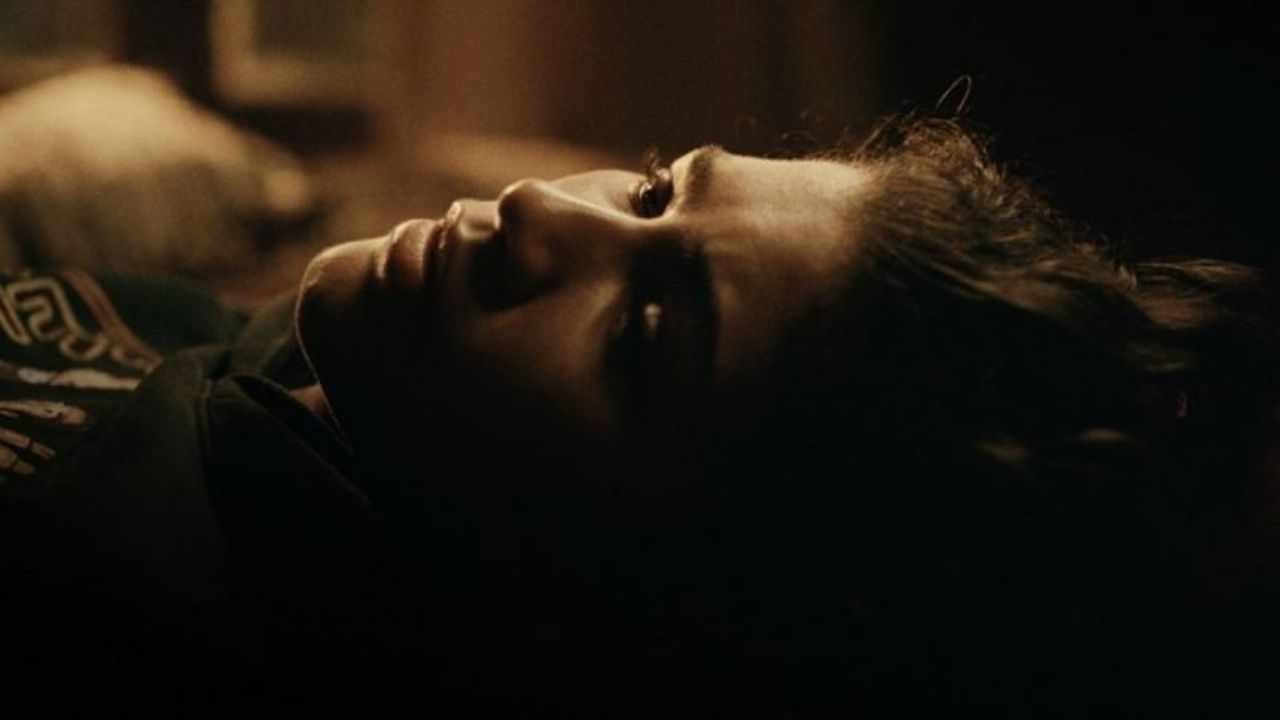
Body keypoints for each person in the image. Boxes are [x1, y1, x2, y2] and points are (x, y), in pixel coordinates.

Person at [2, 114, 1278, 718]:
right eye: (658, 193)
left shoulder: (110, 608)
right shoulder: (289, 364)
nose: (538, 210)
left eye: (643, 332)